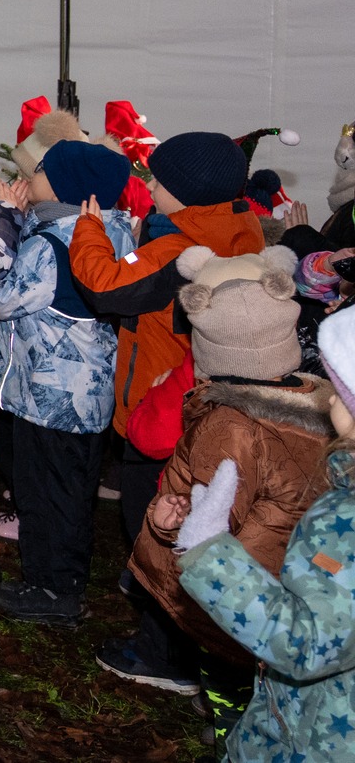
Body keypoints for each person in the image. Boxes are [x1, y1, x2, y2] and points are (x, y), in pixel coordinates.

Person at [70, 132, 262, 670]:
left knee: (156, 522)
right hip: (208, 408)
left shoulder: (181, 252)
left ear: (187, 191)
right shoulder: (239, 228)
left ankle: (162, 655)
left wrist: (88, 230)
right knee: (197, 520)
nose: (149, 184)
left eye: (158, 178)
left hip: (162, 412)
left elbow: (106, 286)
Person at [124, 248, 332, 739]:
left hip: (234, 593)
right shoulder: (319, 405)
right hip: (291, 589)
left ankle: (234, 731)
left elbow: (210, 524)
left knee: (227, 674)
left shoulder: (228, 427)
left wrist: (164, 524)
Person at [174, 310, 355, 762]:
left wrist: (208, 550)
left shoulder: (345, 518)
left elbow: (306, 643)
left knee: (219, 665)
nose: (330, 397)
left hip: (314, 739)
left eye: (341, 389)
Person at [0, 139, 138, 624]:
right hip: (88, 391)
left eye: (42, 170)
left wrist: (0, 219)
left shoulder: (50, 244)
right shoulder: (114, 230)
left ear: (65, 185)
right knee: (72, 492)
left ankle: (52, 591)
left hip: (49, 396)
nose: (30, 176)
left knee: (46, 495)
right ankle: (64, 581)